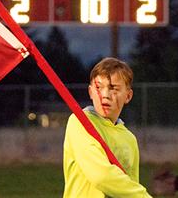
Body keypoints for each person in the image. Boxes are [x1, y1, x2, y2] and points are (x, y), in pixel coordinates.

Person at [63, 57, 152, 197]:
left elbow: (129, 187)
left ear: (128, 96)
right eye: (98, 88)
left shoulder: (129, 139)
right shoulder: (80, 122)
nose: (105, 95)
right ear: (91, 92)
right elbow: (101, 176)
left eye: (113, 88)